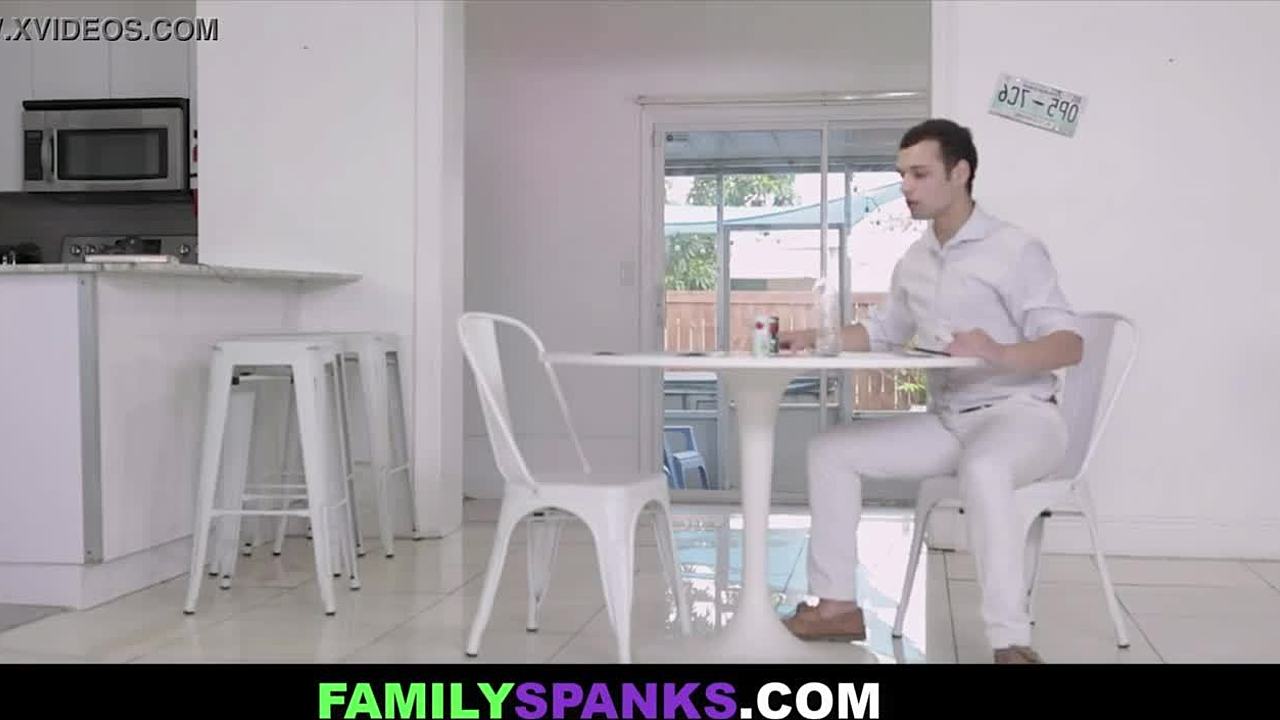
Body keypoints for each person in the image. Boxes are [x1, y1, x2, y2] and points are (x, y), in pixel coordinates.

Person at [777, 119, 1083, 664]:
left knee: (984, 468)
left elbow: (1069, 344)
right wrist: (814, 339)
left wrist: (998, 352)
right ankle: (836, 606)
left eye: (919, 174)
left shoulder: (1014, 249)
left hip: (1022, 417)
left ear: (959, 173)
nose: (906, 186)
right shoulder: (915, 260)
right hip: (950, 421)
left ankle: (1011, 641)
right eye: (902, 175)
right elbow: (881, 332)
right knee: (830, 451)